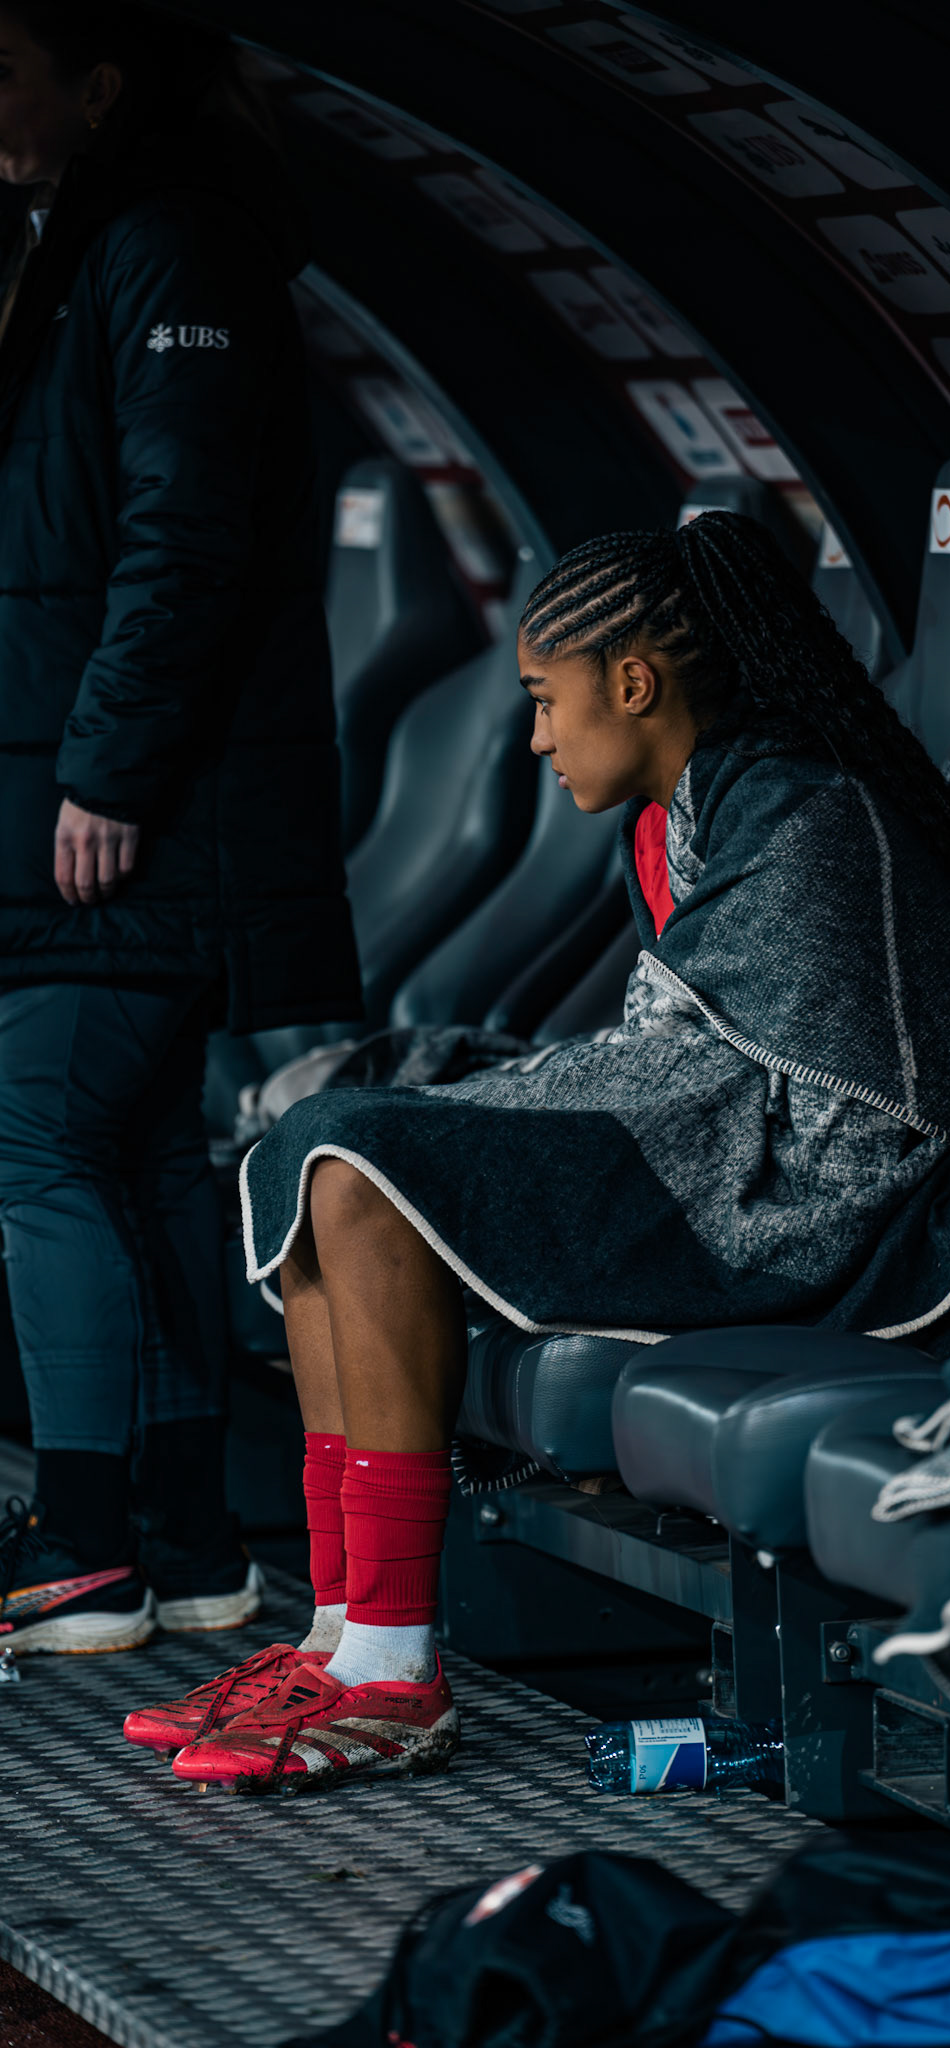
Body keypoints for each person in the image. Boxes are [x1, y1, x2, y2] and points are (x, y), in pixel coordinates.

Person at [123, 508, 950, 1793]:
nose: (538, 735)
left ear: (633, 680)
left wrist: (485, 1105)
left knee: (364, 1153)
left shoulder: (805, 816)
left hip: (823, 1205)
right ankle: (340, 1634)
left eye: (547, 700)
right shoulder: (685, 814)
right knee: (319, 1146)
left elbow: (730, 1083)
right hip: (727, 1152)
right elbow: (678, 1056)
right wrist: (484, 1092)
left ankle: (397, 1662)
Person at [0, 4, 359, 1654]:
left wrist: (109, 770)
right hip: (112, 791)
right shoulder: (98, 243)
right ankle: (188, 1537)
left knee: (43, 1140)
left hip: (142, 808)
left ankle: (80, 1543)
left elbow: (182, 532)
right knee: (133, 1156)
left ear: (100, 79)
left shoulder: (166, 249)